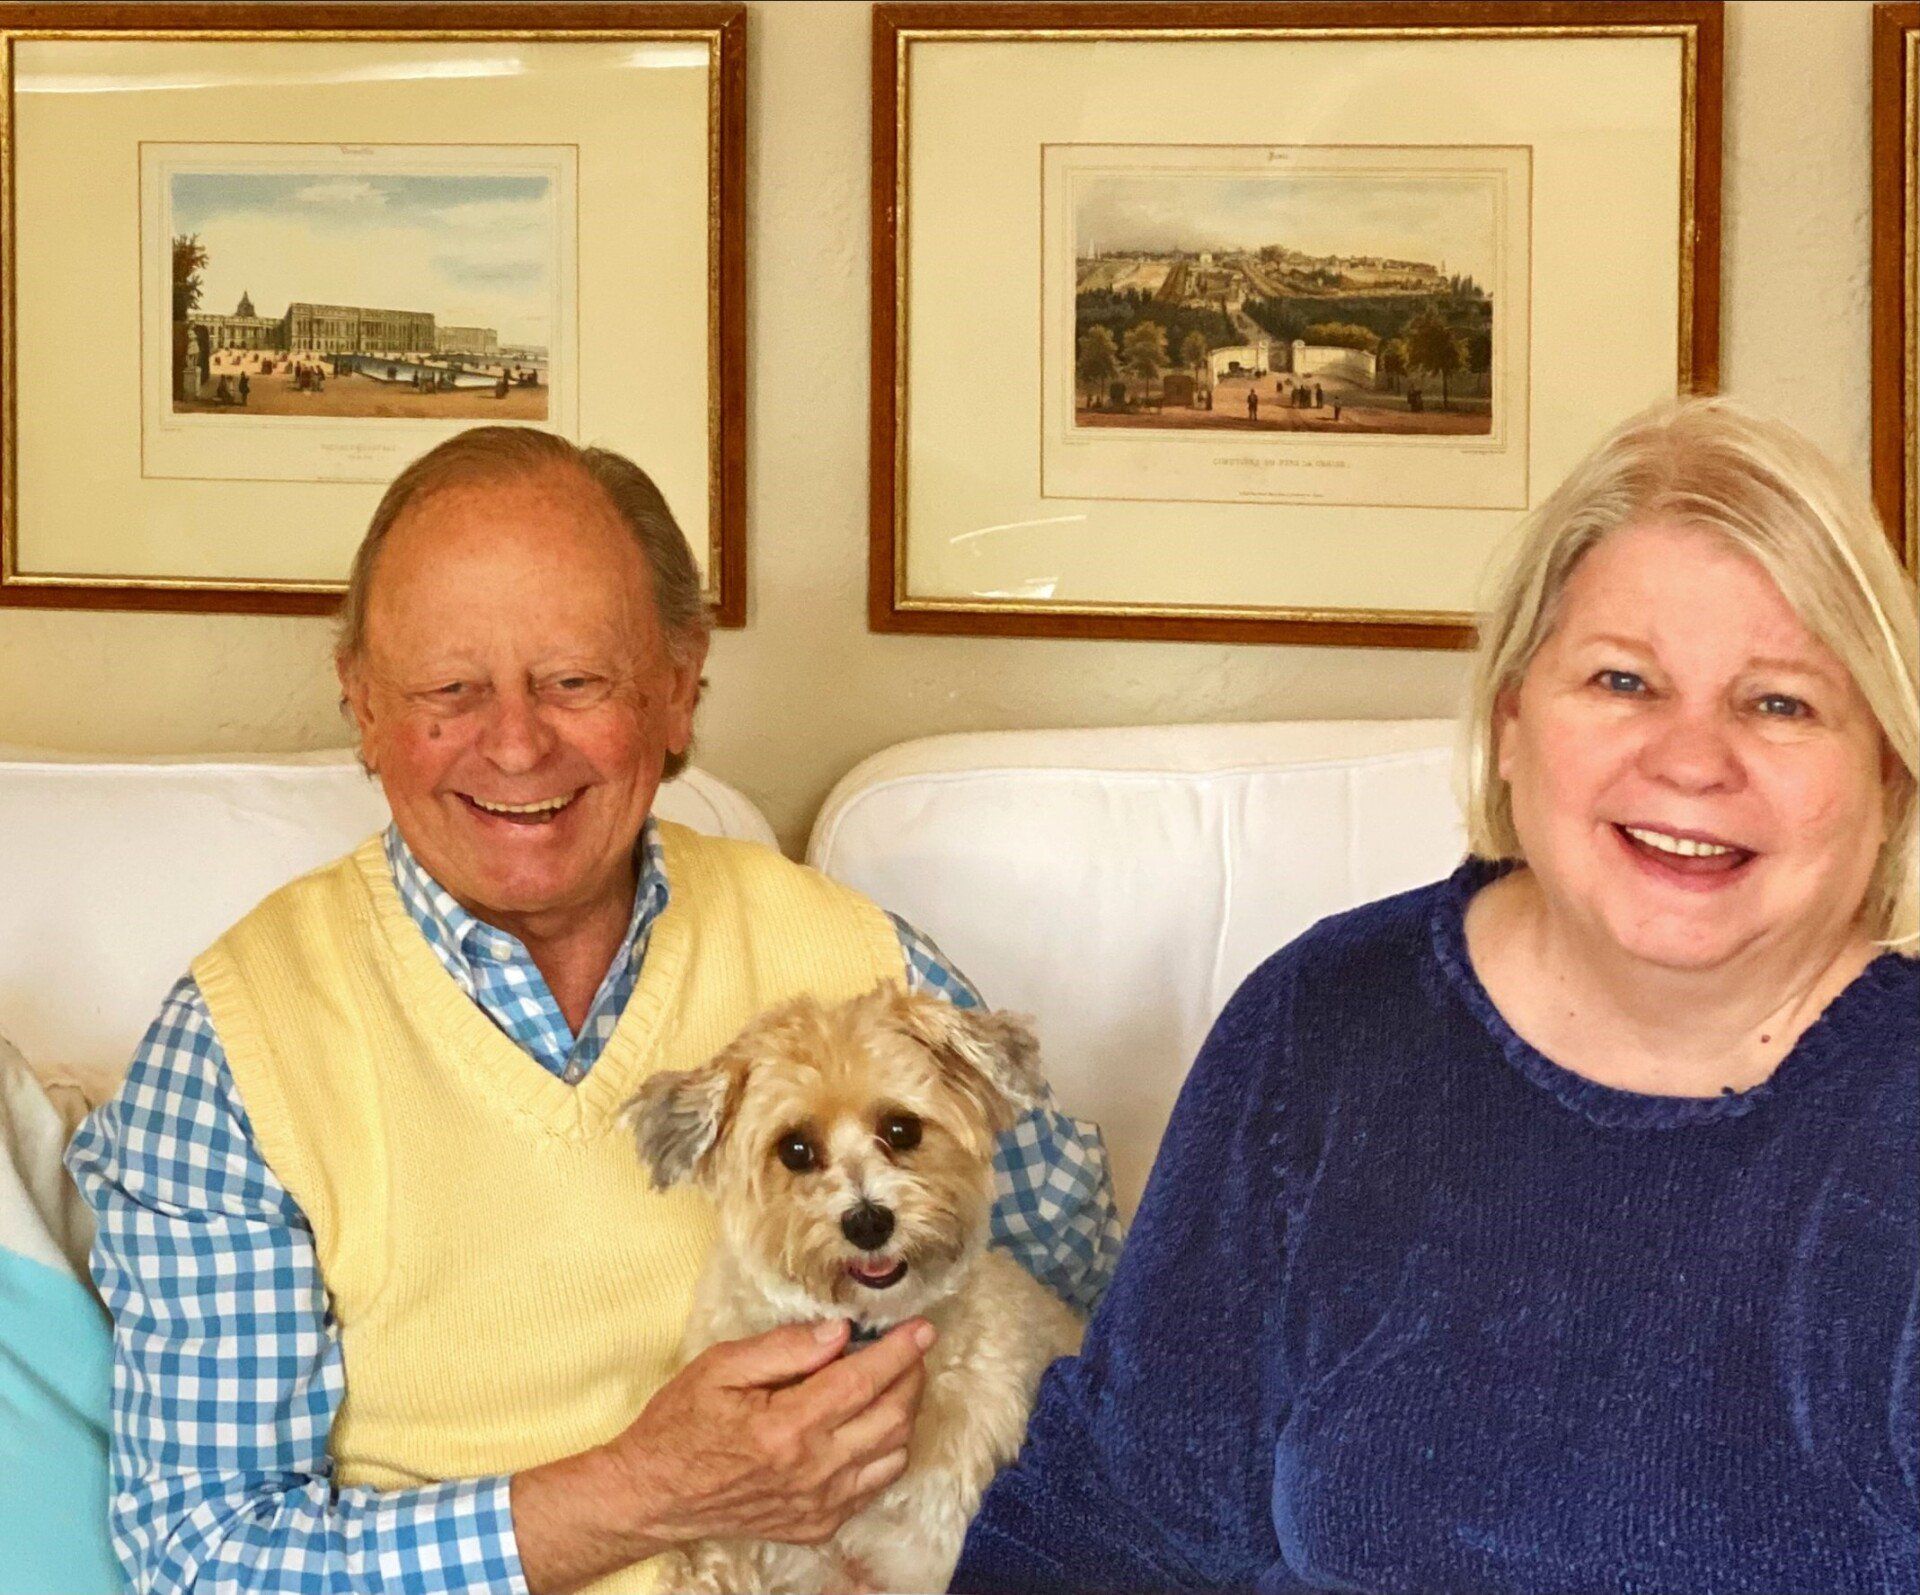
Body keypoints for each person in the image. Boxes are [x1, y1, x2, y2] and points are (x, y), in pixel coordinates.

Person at [66, 427, 1121, 1595]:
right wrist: (639, 1493)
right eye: (449, 690)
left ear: (678, 687)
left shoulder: (867, 964)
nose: (517, 744)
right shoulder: (235, 1050)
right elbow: (206, 1556)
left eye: (575, 681)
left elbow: (1117, 1328)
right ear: (360, 700)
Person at [951, 395, 1919, 1594]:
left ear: (1888, 770)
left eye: (1780, 702)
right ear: (1512, 723)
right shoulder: (1326, 1020)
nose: (1691, 759)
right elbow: (1109, 1529)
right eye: (1623, 679)